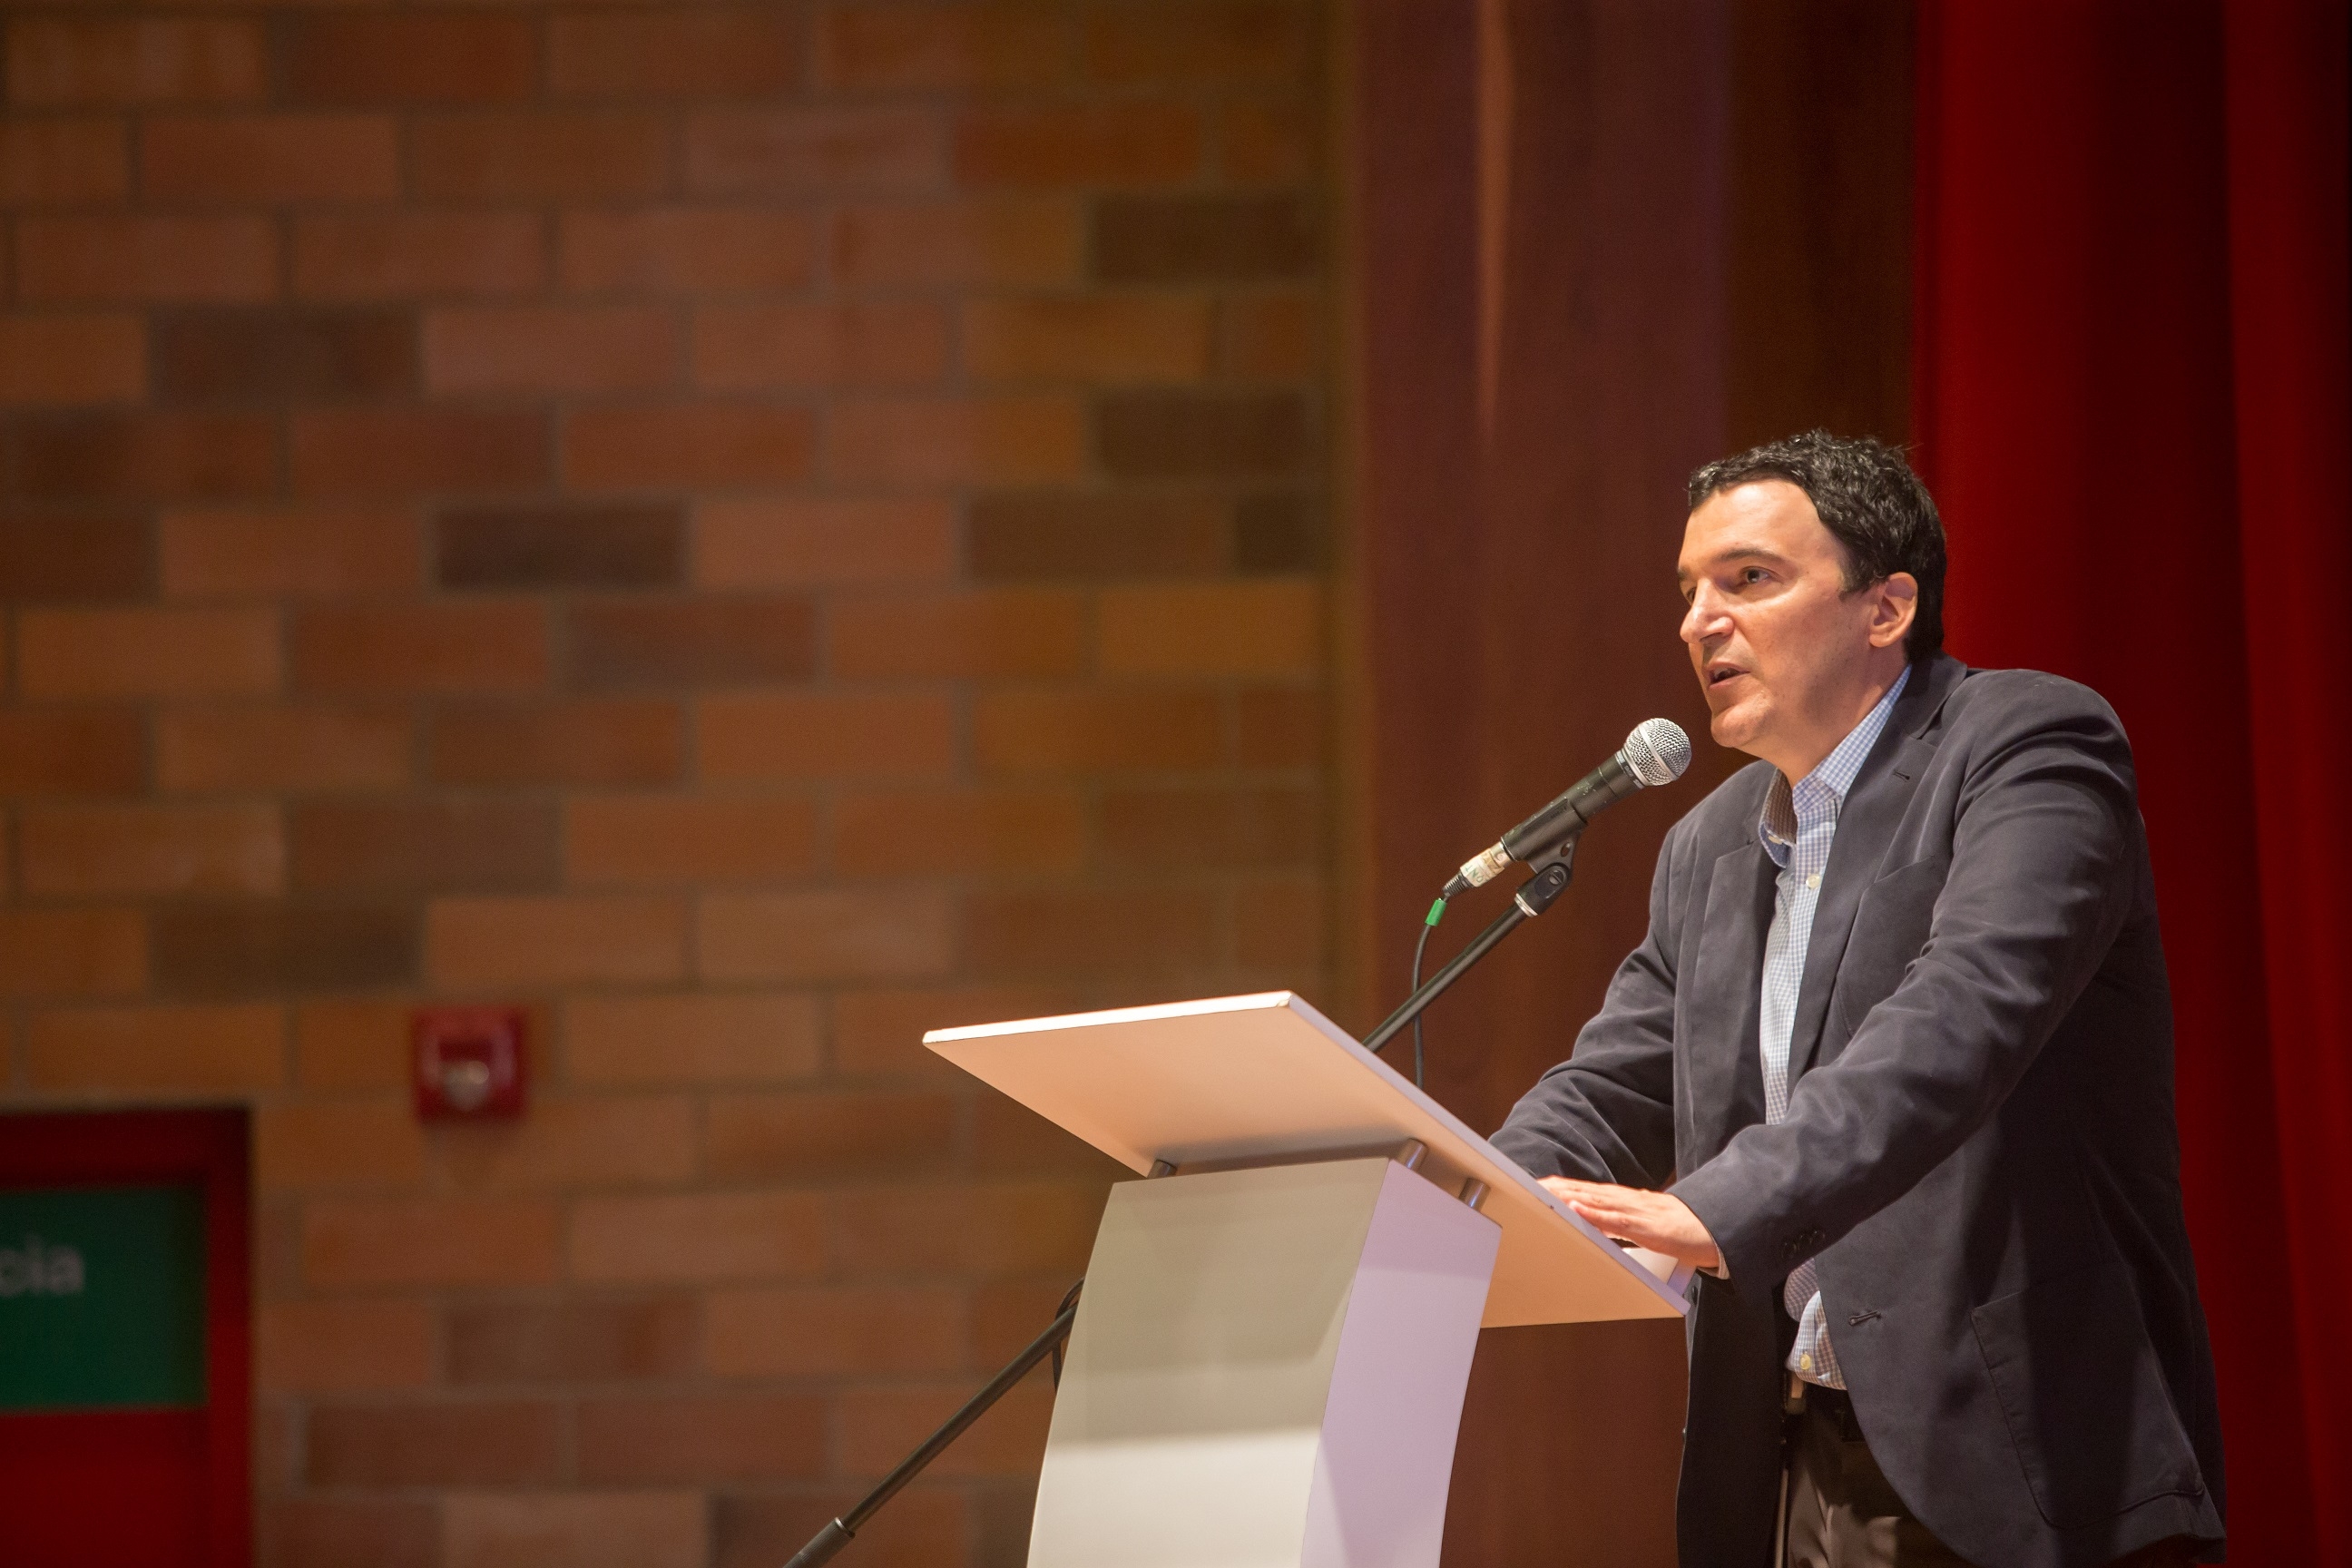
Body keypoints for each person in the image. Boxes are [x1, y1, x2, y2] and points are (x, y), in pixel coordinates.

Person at [1491, 432, 2224, 1568]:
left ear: (1886, 608)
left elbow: (1960, 1020)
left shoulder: (2026, 747)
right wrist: (1467, 1192)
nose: (1699, 622)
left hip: (2017, 1452)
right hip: (1791, 1457)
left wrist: (1717, 1206)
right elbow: (1612, 1081)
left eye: (1748, 579)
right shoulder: (1709, 844)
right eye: (1689, 591)